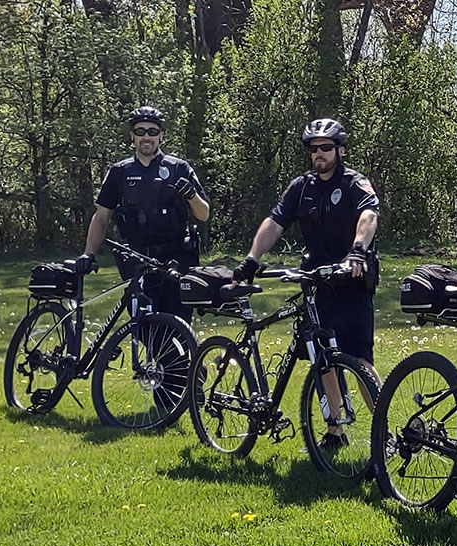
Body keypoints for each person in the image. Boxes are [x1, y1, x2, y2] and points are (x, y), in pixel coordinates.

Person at [234, 118, 380, 448]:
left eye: (326, 148)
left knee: (360, 361)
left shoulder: (356, 183)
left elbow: (369, 216)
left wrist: (358, 251)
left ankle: (383, 433)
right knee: (323, 360)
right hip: (316, 284)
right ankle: (335, 431)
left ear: (339, 150)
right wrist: (252, 258)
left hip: (353, 281)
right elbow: (275, 222)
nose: (319, 154)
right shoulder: (302, 187)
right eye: (313, 149)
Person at [71, 105, 210, 321]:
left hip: (176, 259)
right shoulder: (120, 172)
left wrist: (191, 194)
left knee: (179, 327)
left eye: (153, 131)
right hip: (137, 260)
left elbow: (203, 215)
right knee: (142, 325)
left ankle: (176, 356)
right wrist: (89, 253)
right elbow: (101, 217)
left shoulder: (179, 168)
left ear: (161, 135)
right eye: (140, 131)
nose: (147, 137)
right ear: (132, 137)